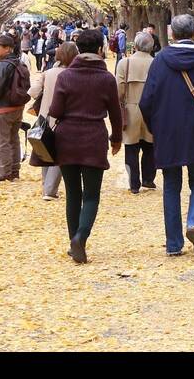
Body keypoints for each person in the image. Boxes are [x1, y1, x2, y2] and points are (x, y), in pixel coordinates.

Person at [139, 14, 194, 257]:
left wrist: (154, 127)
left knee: (171, 185)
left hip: (167, 131)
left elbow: (146, 101)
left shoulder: (159, 61)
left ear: (171, 34)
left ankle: (173, 244)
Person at [47, 29, 123, 264]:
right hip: (94, 138)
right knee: (91, 195)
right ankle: (81, 237)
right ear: (100, 49)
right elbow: (115, 113)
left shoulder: (66, 77)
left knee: (73, 193)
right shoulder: (106, 78)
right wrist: (116, 138)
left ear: (78, 49)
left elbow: (55, 111)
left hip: (67, 139)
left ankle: (74, 242)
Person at [28, 41, 77, 200]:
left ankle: (46, 185)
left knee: (45, 149)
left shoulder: (48, 73)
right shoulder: (74, 74)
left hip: (45, 117)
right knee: (60, 153)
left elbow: (33, 91)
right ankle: (50, 190)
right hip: (65, 118)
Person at [0, 33, 31, 182]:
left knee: (1, 141)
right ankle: (14, 171)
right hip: (17, 107)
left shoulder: (4, 65)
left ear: (8, 49)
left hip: (3, 107)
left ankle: (4, 172)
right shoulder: (19, 63)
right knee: (13, 139)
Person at [116, 31, 157, 194]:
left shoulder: (124, 63)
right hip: (152, 110)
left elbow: (119, 89)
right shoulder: (156, 63)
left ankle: (134, 183)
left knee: (131, 147)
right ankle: (148, 179)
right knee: (150, 146)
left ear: (135, 45)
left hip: (130, 108)